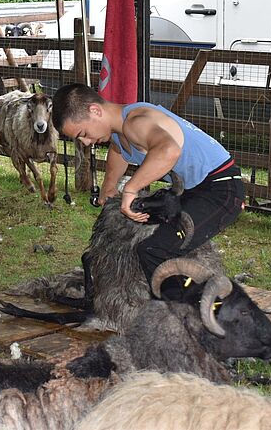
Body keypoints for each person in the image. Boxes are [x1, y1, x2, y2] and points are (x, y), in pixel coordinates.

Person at [51, 83, 244, 300]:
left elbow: (169, 151)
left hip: (222, 188)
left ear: (95, 111)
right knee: (146, 235)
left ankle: (183, 313)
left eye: (83, 133)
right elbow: (119, 152)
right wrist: (109, 187)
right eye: (80, 140)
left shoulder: (136, 121)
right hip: (197, 188)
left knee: (154, 250)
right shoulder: (118, 131)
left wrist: (130, 190)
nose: (85, 142)